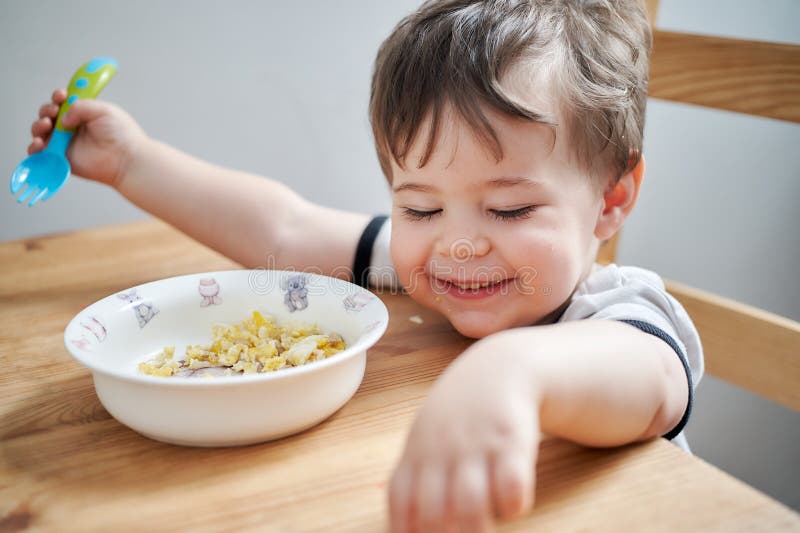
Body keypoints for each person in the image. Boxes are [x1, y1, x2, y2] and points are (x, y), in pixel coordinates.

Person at [27, 0, 703, 531]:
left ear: (611, 200)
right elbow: (285, 231)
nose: (456, 247)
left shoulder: (623, 313)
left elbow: (649, 383)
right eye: (420, 209)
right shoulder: (429, 273)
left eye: (508, 211)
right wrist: (131, 164)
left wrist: (508, 370)